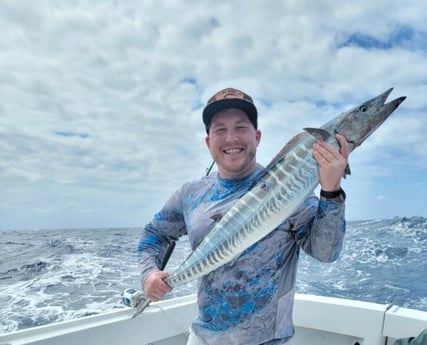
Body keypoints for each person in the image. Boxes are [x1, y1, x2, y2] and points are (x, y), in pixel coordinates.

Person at [138, 87, 349, 345]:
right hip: (203, 338)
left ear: (257, 136)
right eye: (220, 129)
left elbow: (325, 253)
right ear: (208, 141)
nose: (231, 138)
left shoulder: (288, 188)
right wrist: (149, 274)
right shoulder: (191, 194)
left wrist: (331, 191)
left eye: (241, 127)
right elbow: (155, 234)